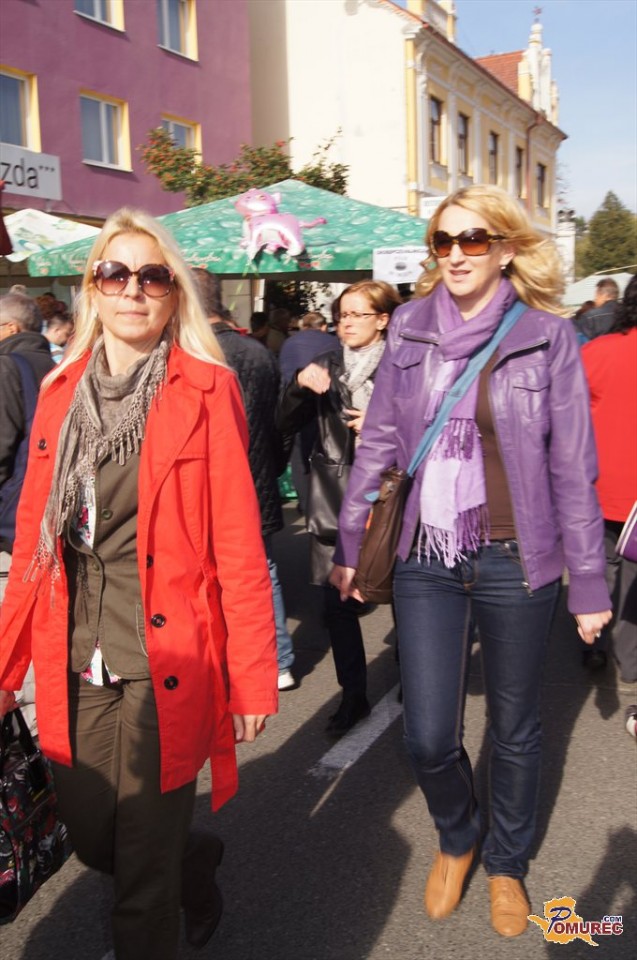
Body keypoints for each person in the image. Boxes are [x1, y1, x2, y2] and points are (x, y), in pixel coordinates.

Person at [330, 185, 611, 937]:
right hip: (426, 552)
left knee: (515, 727)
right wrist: (351, 540)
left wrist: (588, 581)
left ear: (506, 249)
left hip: (518, 558)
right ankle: (458, 836)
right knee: (427, 734)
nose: (456, 254)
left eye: (474, 239)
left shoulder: (547, 336)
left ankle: (506, 864)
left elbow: (571, 466)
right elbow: (379, 441)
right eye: (443, 240)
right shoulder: (410, 328)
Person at [0, 208, 278, 960]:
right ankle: (192, 859)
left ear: (173, 294)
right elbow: (33, 541)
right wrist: (5, 667)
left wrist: (252, 676)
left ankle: (166, 873)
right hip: (76, 649)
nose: (132, 289)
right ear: (92, 288)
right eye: (114, 273)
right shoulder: (59, 391)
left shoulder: (207, 390)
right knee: (94, 837)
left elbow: (237, 543)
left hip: (167, 656)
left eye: (152, 277)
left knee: (140, 883)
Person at [278, 280, 401, 736]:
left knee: (404, 597)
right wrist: (297, 386)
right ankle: (353, 696)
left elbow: (431, 424)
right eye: (342, 315)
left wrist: (384, 426)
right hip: (336, 498)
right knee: (337, 606)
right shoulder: (325, 365)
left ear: (383, 320)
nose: (346, 323)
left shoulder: (404, 364)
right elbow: (283, 422)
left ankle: (413, 677)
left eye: (357, 314)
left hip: (393, 499)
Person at [192, 267, 296, 691]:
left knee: (218, 573)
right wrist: (272, 466)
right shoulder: (258, 351)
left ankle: (238, 660)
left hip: (215, 480)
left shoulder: (196, 353)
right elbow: (281, 423)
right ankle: (279, 660)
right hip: (258, 473)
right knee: (261, 570)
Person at [0, 292, 54, 734]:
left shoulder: (6, 368)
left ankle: (32, 740)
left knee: (14, 630)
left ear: (10, 328)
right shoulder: (58, 368)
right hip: (52, 521)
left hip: (12, 525)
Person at [580, 274, 637, 684]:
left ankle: (593, 642)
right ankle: (630, 660)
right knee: (634, 577)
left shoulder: (596, 351)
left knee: (599, 566)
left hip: (598, 483)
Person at [279, 310, 337, 515]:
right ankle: (323, 503)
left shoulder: (288, 343)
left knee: (299, 457)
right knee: (325, 454)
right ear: (323, 326)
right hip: (323, 407)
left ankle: (305, 503)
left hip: (293, 404)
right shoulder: (332, 342)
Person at [572, 277, 619, 343]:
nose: (595, 299)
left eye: (596, 296)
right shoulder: (628, 314)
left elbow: (583, 344)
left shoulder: (589, 317)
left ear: (604, 295)